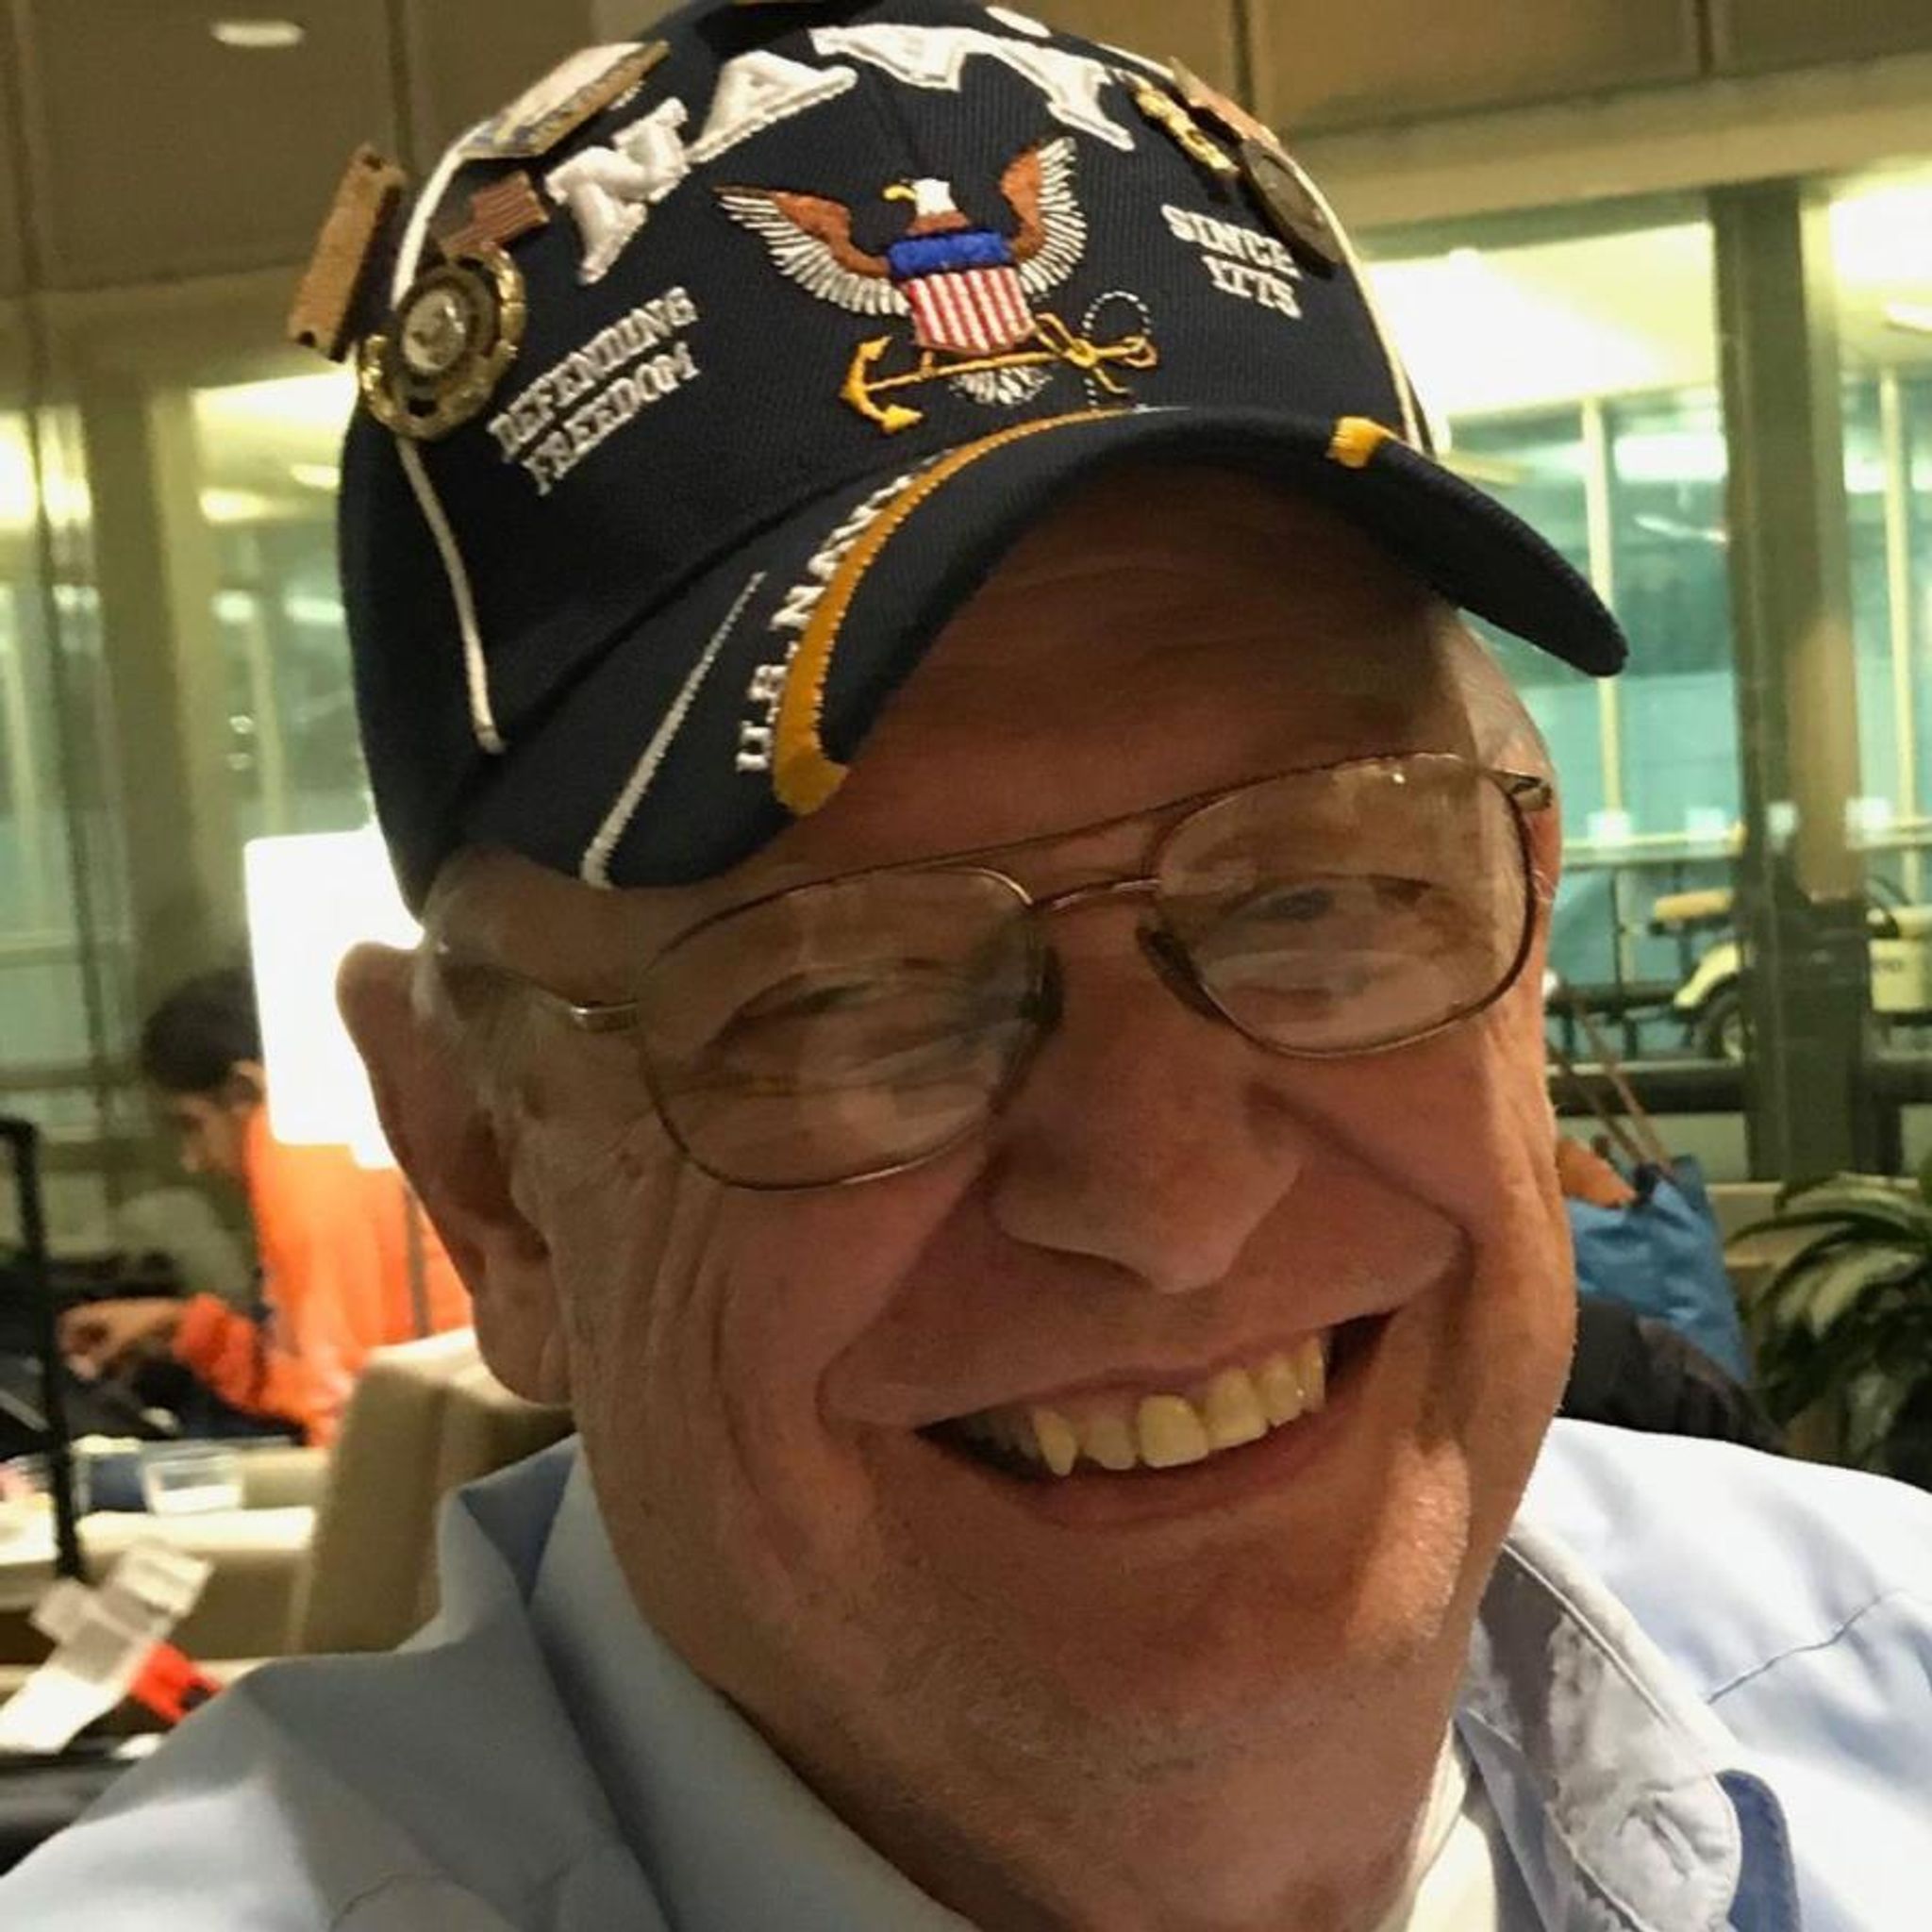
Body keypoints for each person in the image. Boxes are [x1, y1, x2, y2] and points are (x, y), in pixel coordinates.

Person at [7, 5, 1928, 1925]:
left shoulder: (1888, 1698)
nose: (1167, 1204)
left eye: (1315, 895)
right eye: (841, 993)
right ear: (488, 1174)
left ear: (1517, 918)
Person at [57, 967, 469, 1446]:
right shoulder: (339, 1142)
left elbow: (334, 1406)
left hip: (424, 1447)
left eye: (191, 1124)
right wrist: (182, 1327)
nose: (193, 1161)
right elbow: (297, 1374)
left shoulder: (301, 1154)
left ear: (244, 1089)